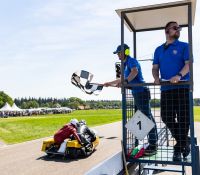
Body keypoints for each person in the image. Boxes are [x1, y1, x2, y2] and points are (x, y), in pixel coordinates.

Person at [104, 44, 158, 156]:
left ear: (125, 52)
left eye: (119, 52)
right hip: (137, 93)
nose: (118, 55)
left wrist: (125, 82)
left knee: (146, 117)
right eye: (117, 53)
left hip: (141, 92)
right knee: (144, 116)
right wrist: (110, 83)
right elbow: (122, 78)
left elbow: (135, 72)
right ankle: (150, 142)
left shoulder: (131, 61)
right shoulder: (124, 64)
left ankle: (153, 145)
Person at [152, 21, 190, 161]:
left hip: (182, 88)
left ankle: (178, 148)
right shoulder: (158, 50)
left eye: (179, 28)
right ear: (167, 30)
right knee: (166, 117)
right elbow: (155, 68)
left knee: (183, 120)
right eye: (175, 28)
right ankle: (185, 141)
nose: (178, 30)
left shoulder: (185, 46)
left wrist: (179, 76)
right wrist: (156, 77)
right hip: (166, 89)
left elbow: (188, 65)